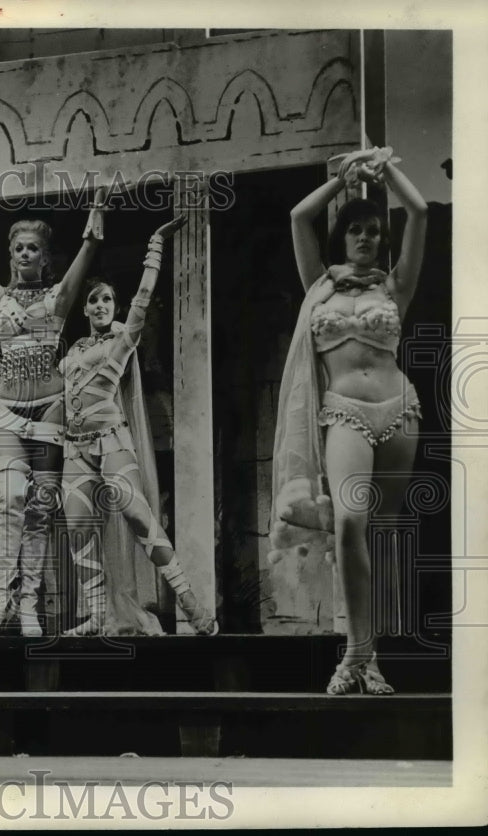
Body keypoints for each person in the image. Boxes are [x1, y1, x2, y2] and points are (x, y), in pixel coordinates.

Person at [270, 147, 427, 694]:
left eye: (374, 232)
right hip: (344, 414)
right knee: (350, 525)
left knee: (379, 537)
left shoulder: (394, 285)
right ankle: (354, 654)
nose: (367, 238)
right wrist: (344, 180)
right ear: (343, 236)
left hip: (400, 411)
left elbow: (422, 212)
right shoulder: (320, 282)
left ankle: (369, 660)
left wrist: (387, 172)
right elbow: (297, 217)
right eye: (357, 231)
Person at [0, 199, 105, 636]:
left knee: (40, 507)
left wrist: (95, 215)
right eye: (18, 247)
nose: (24, 254)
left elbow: (88, 249)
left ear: (44, 256)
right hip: (9, 413)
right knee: (10, 500)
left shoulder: (59, 297)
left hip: (51, 410)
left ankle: (31, 605)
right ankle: (1, 600)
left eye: (33, 248)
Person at [60, 218, 216, 636]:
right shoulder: (74, 349)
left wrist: (155, 244)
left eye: (107, 299)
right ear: (85, 307)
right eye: (93, 300)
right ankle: (95, 616)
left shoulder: (121, 340)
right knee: (77, 528)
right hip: (74, 449)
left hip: (111, 441)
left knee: (138, 516)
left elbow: (144, 296)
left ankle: (189, 601)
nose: (100, 306)